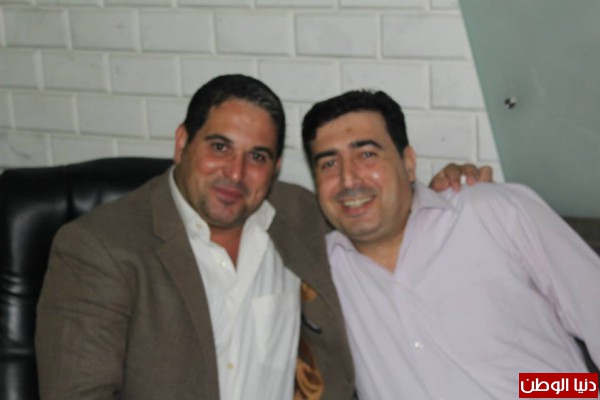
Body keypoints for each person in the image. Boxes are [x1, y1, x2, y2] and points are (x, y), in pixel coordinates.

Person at [35, 74, 484, 400]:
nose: (235, 173)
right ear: (182, 143)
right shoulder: (99, 248)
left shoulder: (303, 217)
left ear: (275, 168)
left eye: (258, 157)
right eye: (220, 147)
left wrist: (450, 187)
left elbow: (380, 208)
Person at [301, 89, 600, 400]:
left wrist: (551, 390)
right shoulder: (320, 273)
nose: (348, 179)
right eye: (329, 164)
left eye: (367, 155)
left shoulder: (490, 212)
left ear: (408, 163)